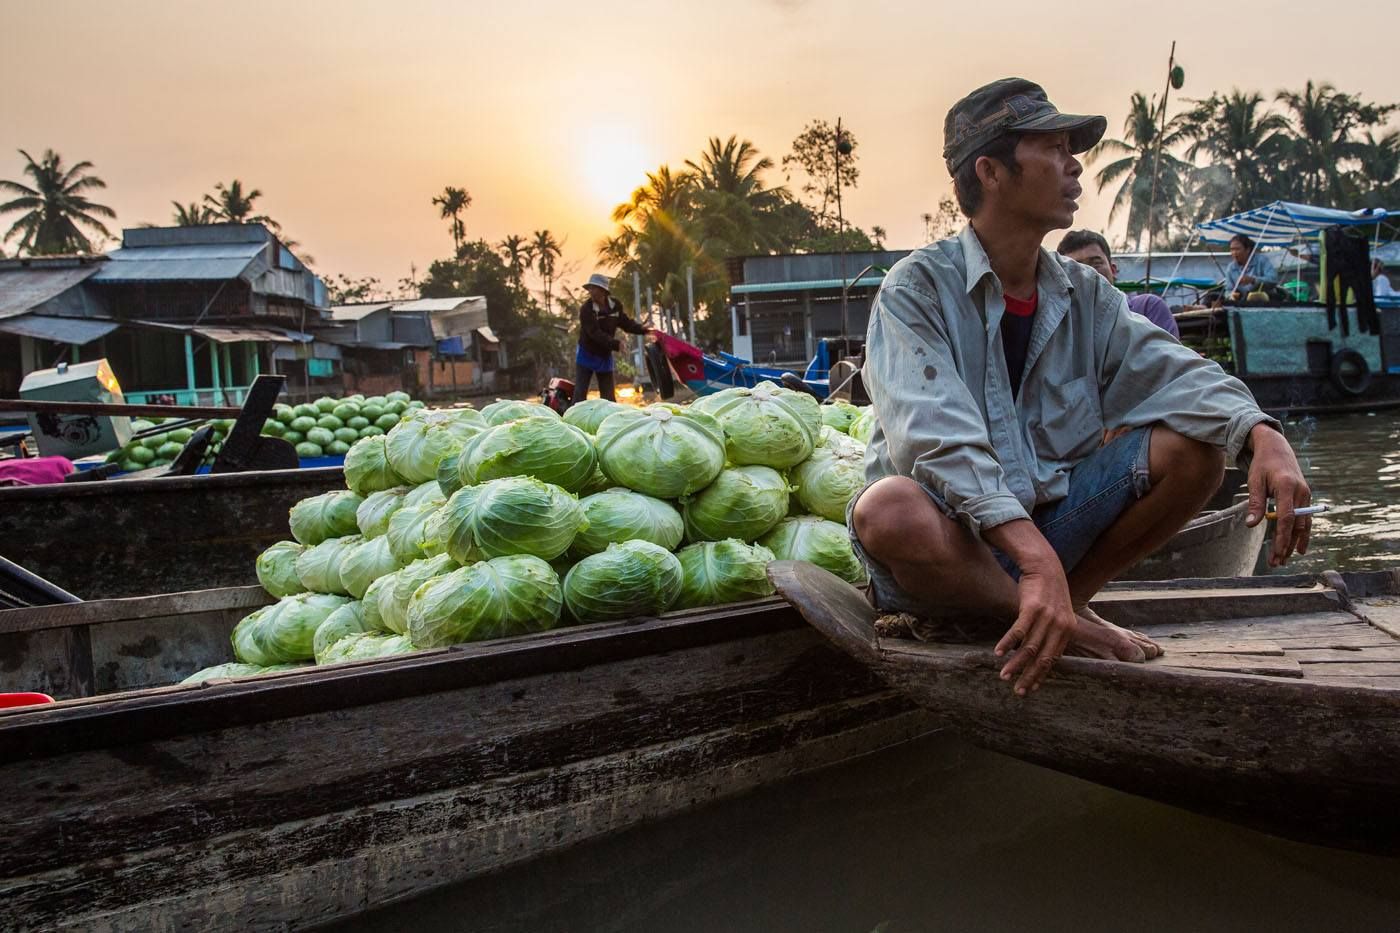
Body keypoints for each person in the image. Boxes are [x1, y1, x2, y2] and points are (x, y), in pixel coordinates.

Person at [851, 77, 1311, 698]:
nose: (1075, 167)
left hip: (1049, 539)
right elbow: (935, 440)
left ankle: (1064, 606)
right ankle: (1045, 610)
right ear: (990, 171)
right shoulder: (917, 288)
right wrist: (1036, 561)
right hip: (949, 555)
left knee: (1193, 449)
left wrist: (1262, 434)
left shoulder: (1083, 292)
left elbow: (1172, 369)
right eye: (1055, 149)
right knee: (889, 508)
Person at [1056, 229, 1179, 339]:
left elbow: (1168, 362)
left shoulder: (1147, 308)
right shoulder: (1060, 325)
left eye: (1096, 263)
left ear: (1113, 269)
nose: (1089, 273)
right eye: (1077, 267)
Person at [573, 272, 653, 405]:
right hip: (586, 354)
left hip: (604, 355)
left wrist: (644, 330)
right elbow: (594, 333)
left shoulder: (615, 306)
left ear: (603, 290)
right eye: (590, 288)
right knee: (580, 394)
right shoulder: (586, 309)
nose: (591, 292)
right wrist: (616, 344)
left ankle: (609, 419)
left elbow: (626, 323)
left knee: (609, 397)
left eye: (594, 288)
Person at [1221, 233, 1276, 299]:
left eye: (1237, 249)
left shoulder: (1262, 260)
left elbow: (1273, 280)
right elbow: (1228, 290)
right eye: (1232, 249)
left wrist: (1253, 280)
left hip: (1267, 301)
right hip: (1244, 303)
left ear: (1247, 250)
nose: (1234, 253)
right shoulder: (1231, 268)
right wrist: (1231, 295)